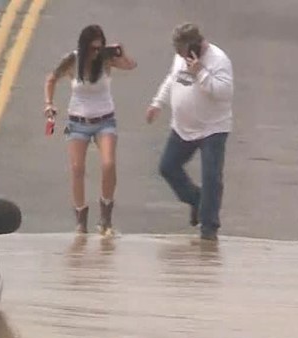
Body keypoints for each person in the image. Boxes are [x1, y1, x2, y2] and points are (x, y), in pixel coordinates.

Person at [44, 24, 137, 236]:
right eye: (93, 48)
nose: (96, 52)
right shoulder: (72, 60)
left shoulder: (106, 59)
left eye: (99, 47)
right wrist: (49, 103)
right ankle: (81, 220)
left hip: (105, 120)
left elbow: (131, 65)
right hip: (78, 122)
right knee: (77, 169)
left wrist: (121, 54)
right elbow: (51, 78)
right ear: (84, 46)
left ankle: (105, 217)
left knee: (108, 164)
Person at [146, 22, 234, 242]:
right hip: (183, 127)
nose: (179, 55)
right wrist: (157, 103)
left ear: (195, 45)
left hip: (212, 128)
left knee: (212, 176)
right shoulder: (180, 58)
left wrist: (201, 73)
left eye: (182, 51)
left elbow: (224, 93)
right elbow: (171, 79)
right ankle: (197, 199)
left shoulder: (219, 60)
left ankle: (209, 227)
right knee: (168, 167)